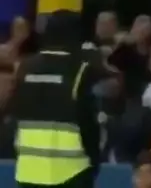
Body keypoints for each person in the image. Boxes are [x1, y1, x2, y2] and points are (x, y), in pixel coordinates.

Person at [13, 11, 116, 188]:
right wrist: (93, 162)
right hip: (71, 172)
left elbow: (16, 113)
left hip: (28, 169)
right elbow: (88, 121)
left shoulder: (25, 67)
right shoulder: (80, 68)